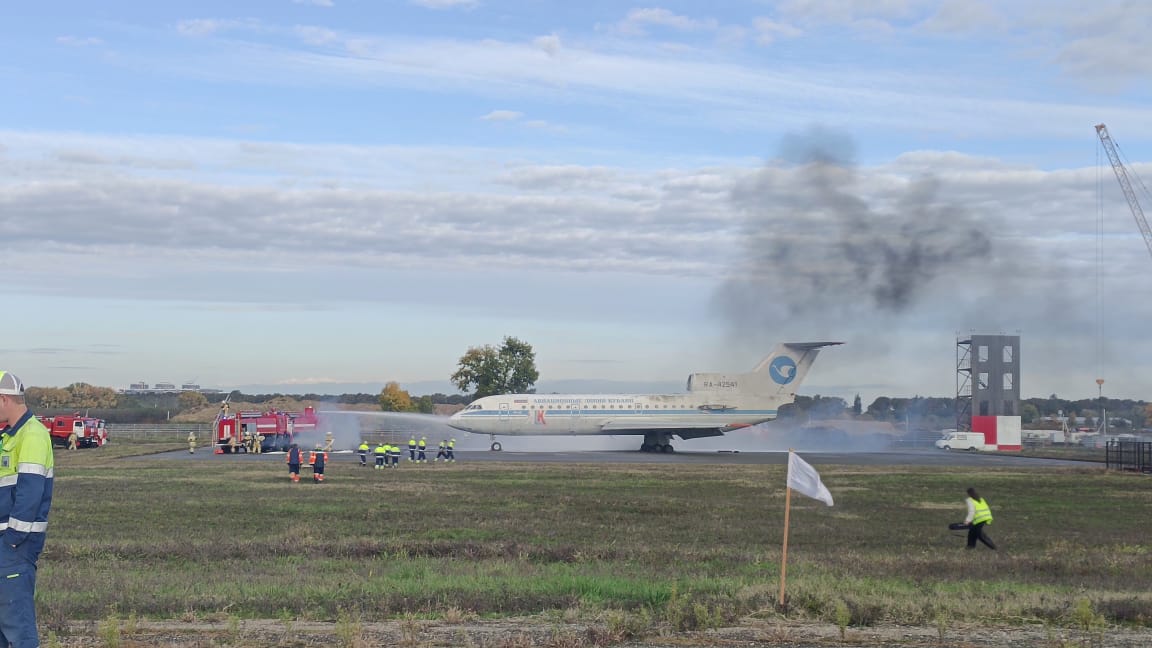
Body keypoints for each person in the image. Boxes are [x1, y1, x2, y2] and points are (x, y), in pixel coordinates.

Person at [0, 371, 55, 647]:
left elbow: (30, 494)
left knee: (18, 629)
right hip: (7, 545)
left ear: (3, 399)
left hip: (14, 547)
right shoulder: (9, 436)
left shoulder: (32, 435)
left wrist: (12, 540)